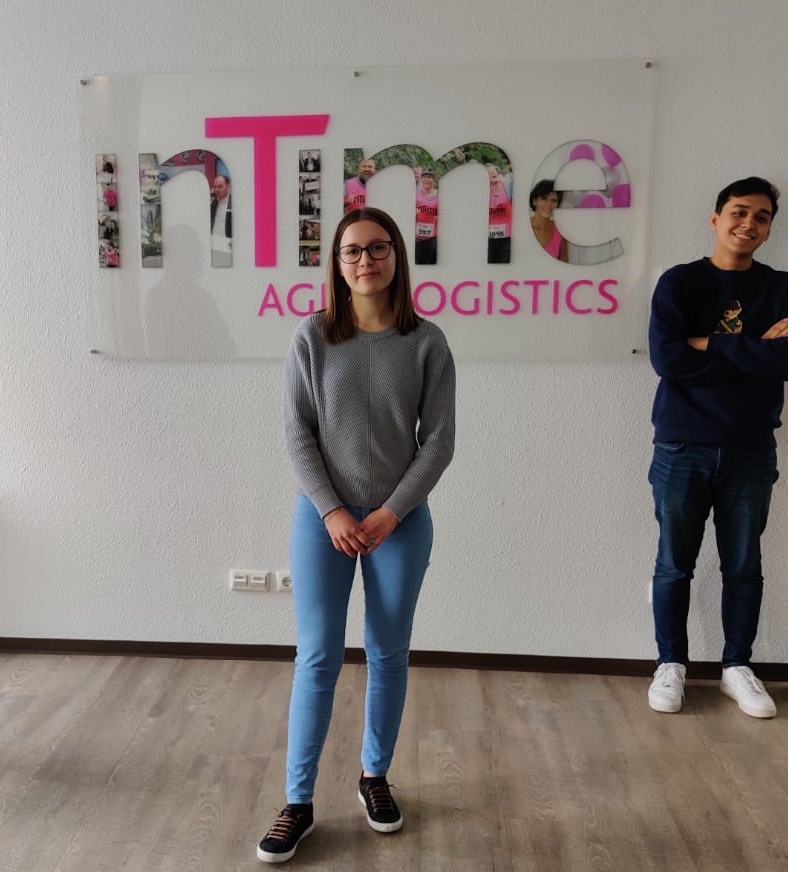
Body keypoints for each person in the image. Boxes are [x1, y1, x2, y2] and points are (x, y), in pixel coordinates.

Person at [258, 207, 455, 863]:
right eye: (352, 251)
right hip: (324, 522)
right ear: (337, 264)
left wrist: (390, 512)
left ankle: (375, 776)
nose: (365, 260)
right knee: (317, 655)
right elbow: (297, 433)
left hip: (400, 522)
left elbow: (438, 442)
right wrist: (333, 511)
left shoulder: (426, 342)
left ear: (397, 255)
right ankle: (298, 802)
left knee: (387, 651)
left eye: (377, 248)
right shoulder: (312, 337)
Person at [646, 177, 788, 720]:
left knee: (743, 564)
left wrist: (708, 343)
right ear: (715, 219)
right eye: (739, 212)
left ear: (769, 230)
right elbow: (668, 359)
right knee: (674, 564)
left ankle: (736, 667)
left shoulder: (783, 288)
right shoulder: (680, 282)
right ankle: (670, 663)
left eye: (761, 217)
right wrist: (753, 348)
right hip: (681, 444)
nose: (749, 224)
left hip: (750, 448)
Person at [529, 178, 570, 262]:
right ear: (534, 201)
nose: (549, 204)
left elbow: (564, 265)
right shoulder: (522, 226)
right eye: (544, 198)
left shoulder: (561, 231)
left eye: (553, 200)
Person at [486, 163, 512, 263]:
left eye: (494, 171)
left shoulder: (507, 186)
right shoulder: (483, 192)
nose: (493, 173)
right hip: (489, 239)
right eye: (489, 172)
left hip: (506, 238)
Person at [414, 168, 439, 265]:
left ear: (433, 180)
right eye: (424, 177)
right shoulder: (415, 194)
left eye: (430, 177)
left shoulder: (439, 195)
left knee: (430, 264)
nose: (427, 179)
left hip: (432, 238)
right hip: (416, 238)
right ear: (421, 179)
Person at [210, 174, 232, 266]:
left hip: (227, 247)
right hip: (214, 246)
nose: (217, 190)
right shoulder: (213, 203)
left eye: (220, 186)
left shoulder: (233, 202)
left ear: (227, 186)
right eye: (215, 187)